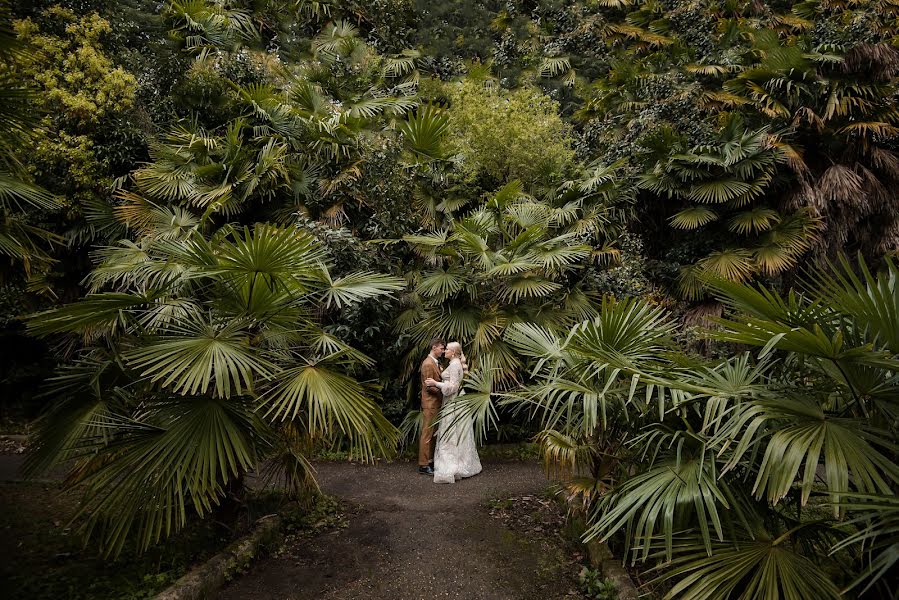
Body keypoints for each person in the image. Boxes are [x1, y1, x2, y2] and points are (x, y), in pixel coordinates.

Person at [425, 341, 482, 484]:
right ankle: (459, 460)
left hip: (454, 401)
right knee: (455, 432)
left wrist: (436, 383)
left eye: (447, 350)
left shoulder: (455, 364)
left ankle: (454, 464)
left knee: (452, 432)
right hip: (453, 401)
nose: (445, 352)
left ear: (454, 352)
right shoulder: (454, 364)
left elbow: (453, 387)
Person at [418, 338, 445, 475]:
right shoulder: (428, 364)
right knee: (427, 434)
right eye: (441, 348)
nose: (443, 351)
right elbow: (429, 387)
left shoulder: (436, 362)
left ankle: (430, 460)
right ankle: (423, 465)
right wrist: (444, 391)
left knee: (433, 434)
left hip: (436, 403)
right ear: (434, 347)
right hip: (430, 403)